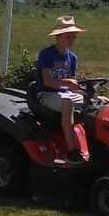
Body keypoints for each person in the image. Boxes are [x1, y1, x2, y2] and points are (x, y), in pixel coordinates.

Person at [36, 17, 87, 161]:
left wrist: (82, 90)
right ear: (58, 37)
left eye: (73, 37)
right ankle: (72, 150)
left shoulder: (72, 58)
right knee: (67, 102)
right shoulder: (47, 54)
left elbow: (72, 84)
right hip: (47, 94)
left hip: (65, 93)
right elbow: (47, 81)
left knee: (97, 102)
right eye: (68, 36)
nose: (71, 40)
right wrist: (67, 83)